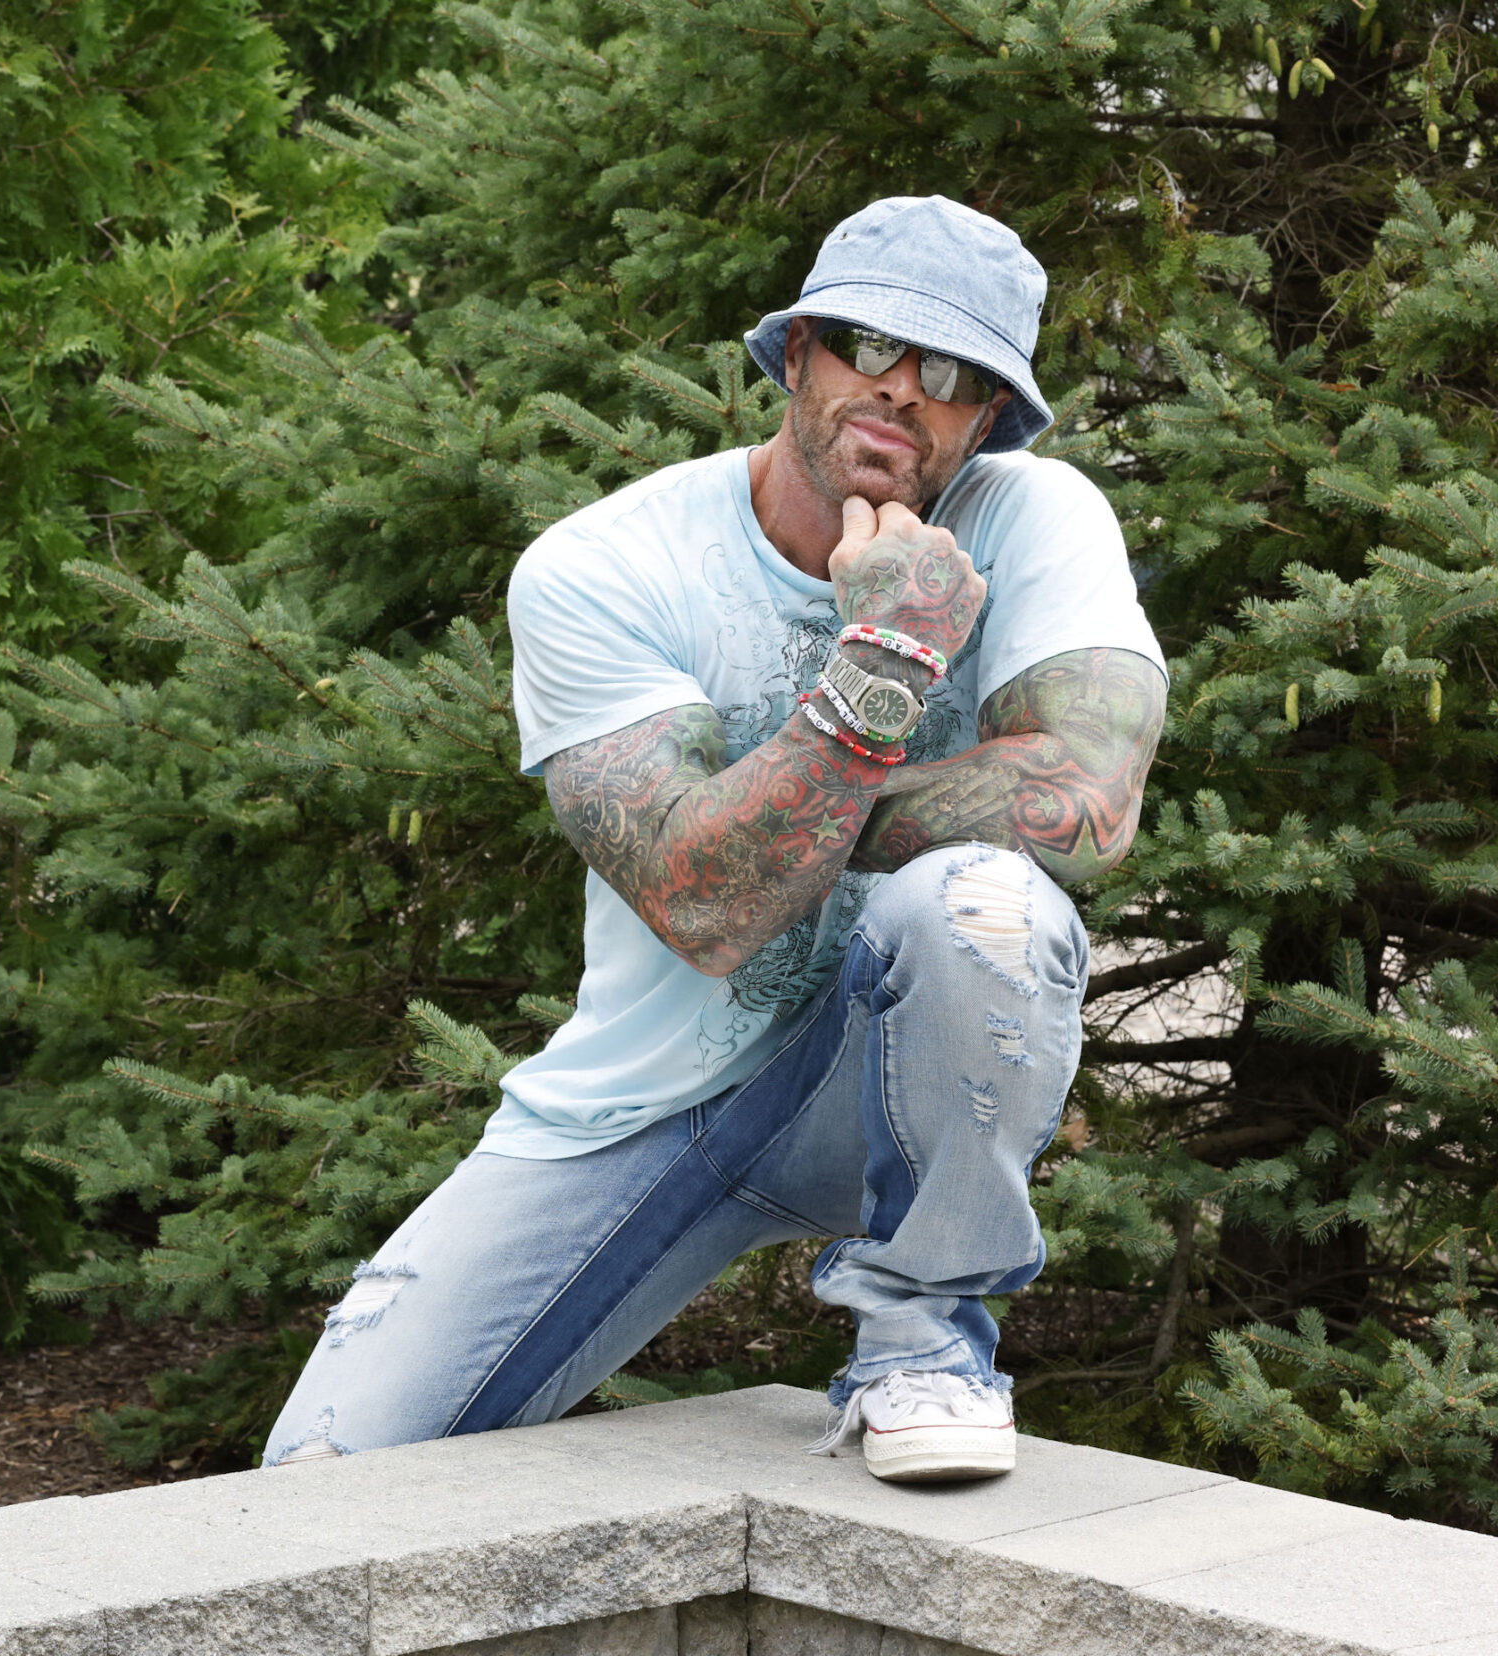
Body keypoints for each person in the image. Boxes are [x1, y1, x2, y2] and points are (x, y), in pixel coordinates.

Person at [259, 195, 1167, 1484]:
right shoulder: (608, 566)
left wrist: (766, 819)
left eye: (953, 375)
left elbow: (1086, 801)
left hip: (892, 1073)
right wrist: (886, 662)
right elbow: (705, 909)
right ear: (796, 353)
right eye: (869, 345)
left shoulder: (1034, 517)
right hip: (648, 1101)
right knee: (328, 1474)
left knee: (983, 903)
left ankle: (923, 1342)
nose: (902, 389)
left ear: (988, 421)